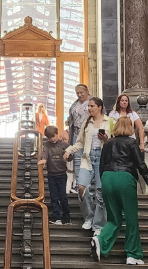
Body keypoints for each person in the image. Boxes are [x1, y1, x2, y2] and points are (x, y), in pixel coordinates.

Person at [93, 117, 148, 264]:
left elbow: (101, 165)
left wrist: (103, 182)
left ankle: (100, 240)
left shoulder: (107, 143)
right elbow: (141, 165)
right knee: (131, 218)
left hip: (107, 177)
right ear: (130, 128)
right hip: (125, 178)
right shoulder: (132, 142)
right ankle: (133, 254)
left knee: (114, 218)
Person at [64, 96, 113, 233]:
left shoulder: (110, 121)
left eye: (92, 106)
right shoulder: (87, 122)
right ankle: (89, 217)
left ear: (100, 107)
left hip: (103, 160)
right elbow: (80, 141)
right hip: (88, 158)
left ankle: (98, 224)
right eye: (89, 106)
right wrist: (69, 150)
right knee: (81, 189)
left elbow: (115, 142)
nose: (89, 108)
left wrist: (106, 140)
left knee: (100, 192)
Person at [41, 124, 71, 225]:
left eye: (53, 136)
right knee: (54, 197)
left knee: (62, 196)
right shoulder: (47, 145)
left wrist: (68, 156)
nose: (52, 139)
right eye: (49, 137)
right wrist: (43, 160)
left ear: (57, 134)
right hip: (51, 175)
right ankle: (56, 216)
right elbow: (44, 154)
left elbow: (71, 154)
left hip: (62, 174)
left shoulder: (64, 145)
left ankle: (66, 216)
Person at [66, 83, 90, 208]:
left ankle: (89, 183)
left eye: (81, 92)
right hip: (76, 134)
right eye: (77, 93)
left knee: (89, 157)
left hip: (89, 134)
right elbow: (71, 121)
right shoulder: (74, 105)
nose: (80, 95)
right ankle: (78, 183)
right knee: (78, 158)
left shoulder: (93, 102)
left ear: (86, 91)